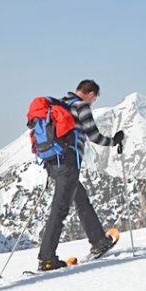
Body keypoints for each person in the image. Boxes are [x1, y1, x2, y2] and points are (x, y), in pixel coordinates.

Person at [37, 79, 124, 271]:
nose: (93, 103)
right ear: (91, 94)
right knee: (59, 210)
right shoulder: (81, 107)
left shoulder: (60, 104)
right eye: (94, 99)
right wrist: (114, 140)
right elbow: (94, 136)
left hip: (52, 163)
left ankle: (99, 240)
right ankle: (47, 258)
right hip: (67, 164)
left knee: (81, 200)